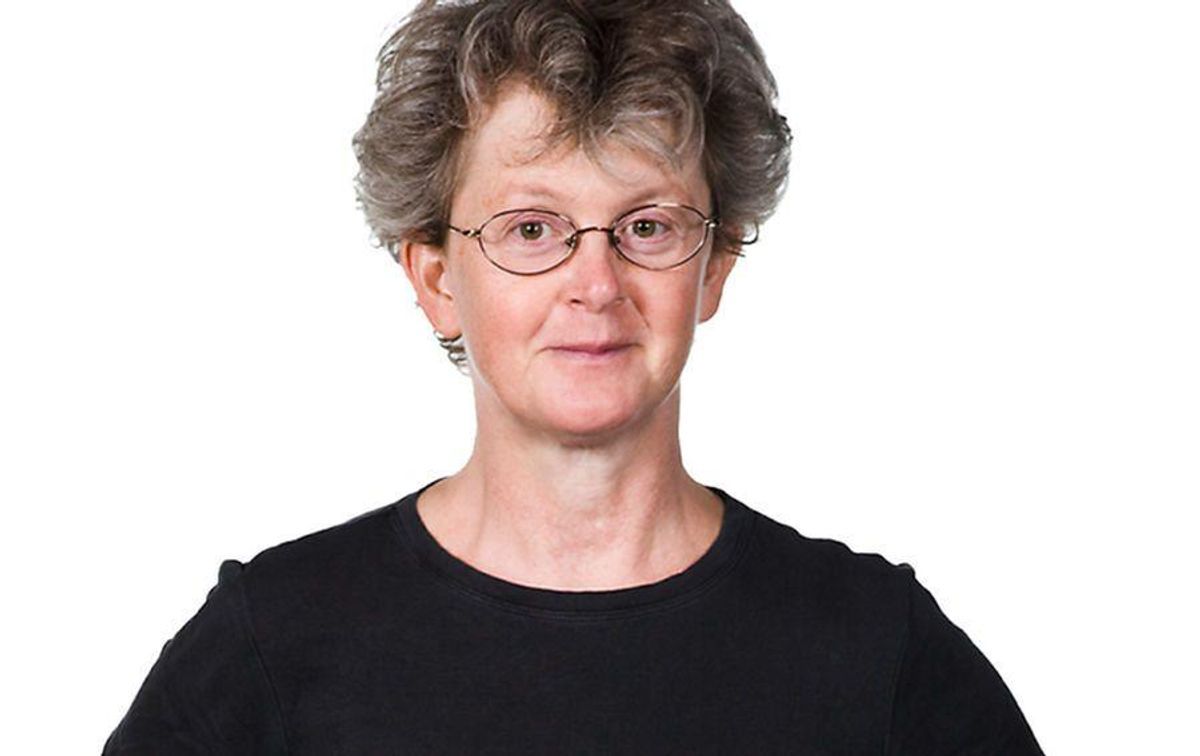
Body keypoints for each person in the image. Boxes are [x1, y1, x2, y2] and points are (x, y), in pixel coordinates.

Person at [105, 0, 1043, 753]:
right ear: (436, 279)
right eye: (531, 228)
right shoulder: (272, 646)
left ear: (715, 266)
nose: (595, 285)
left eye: (647, 227)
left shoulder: (875, 651)